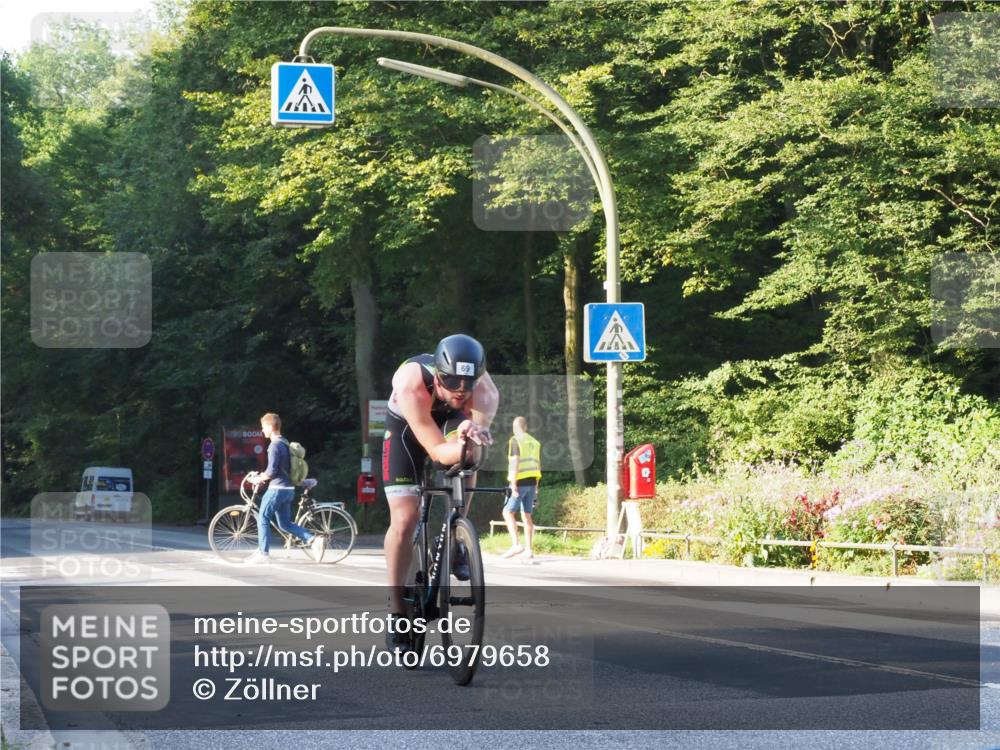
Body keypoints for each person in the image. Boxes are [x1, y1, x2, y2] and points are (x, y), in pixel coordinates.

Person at [381, 334, 498, 650]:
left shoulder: (483, 389)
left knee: (469, 452)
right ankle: (396, 609)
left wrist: (472, 437)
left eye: (467, 385)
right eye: (453, 385)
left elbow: (477, 433)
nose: (461, 391)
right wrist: (457, 445)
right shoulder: (411, 383)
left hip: (448, 421)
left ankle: (457, 536)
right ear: (438, 377)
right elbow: (435, 450)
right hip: (406, 426)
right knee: (405, 519)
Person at [244, 413, 325, 565]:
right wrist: (264, 475)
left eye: (263, 427)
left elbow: (271, 472)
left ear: (269, 426)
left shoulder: (274, 445)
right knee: (285, 524)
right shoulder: (285, 443)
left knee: (263, 518)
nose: (262, 431)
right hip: (288, 490)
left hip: (277, 489)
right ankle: (313, 539)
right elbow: (281, 469)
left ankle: (263, 553)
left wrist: (257, 479)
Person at [502, 416, 541, 561]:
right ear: (525, 427)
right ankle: (529, 550)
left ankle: (516, 544)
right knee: (527, 515)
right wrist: (536, 486)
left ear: (516, 427)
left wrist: (513, 484)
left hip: (519, 482)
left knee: (507, 512)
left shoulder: (515, 440)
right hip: (532, 482)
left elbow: (515, 462)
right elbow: (538, 465)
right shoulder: (535, 442)